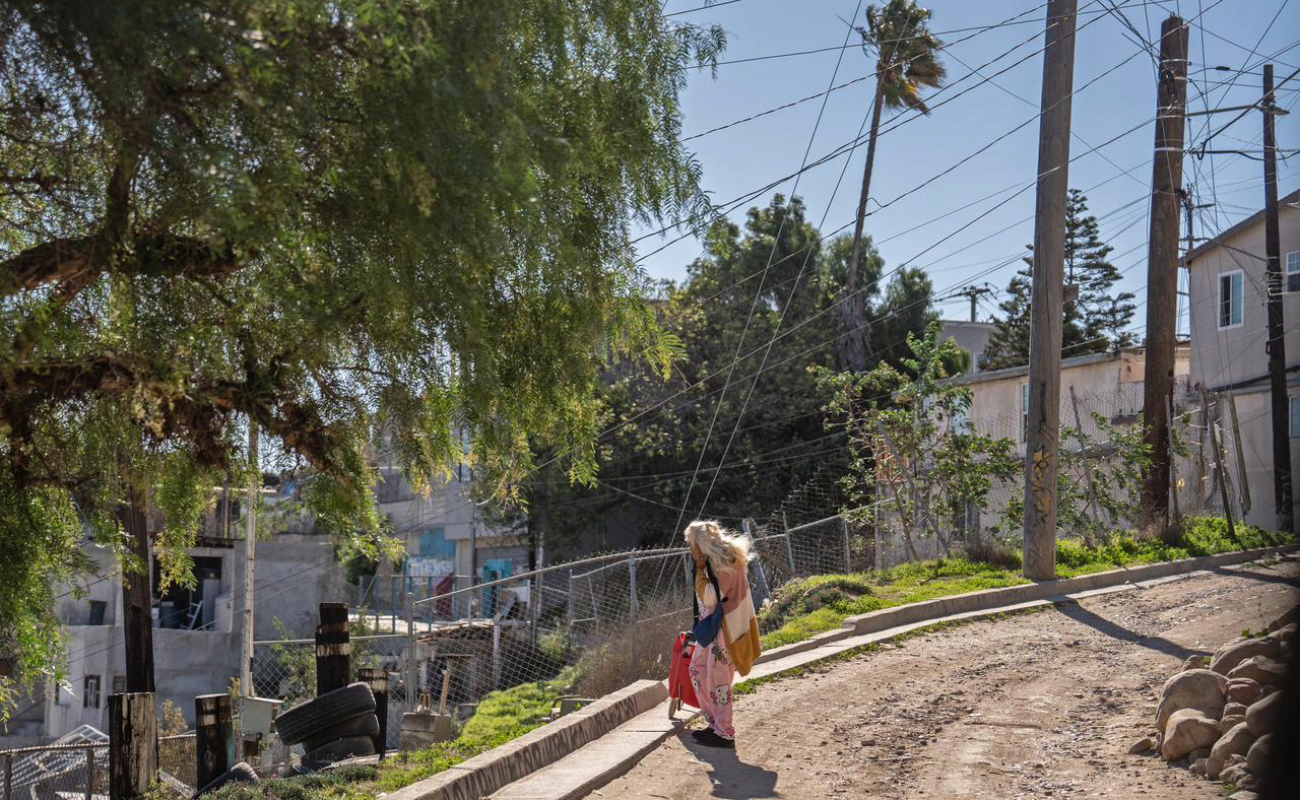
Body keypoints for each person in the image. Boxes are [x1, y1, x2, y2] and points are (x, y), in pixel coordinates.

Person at [684, 519, 762, 749]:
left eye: (690, 544)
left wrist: (699, 572)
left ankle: (724, 731)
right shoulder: (719, 559)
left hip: (726, 629)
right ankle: (715, 723)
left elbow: (710, 597)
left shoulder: (726, 561)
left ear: (699, 545)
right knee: (697, 669)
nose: (689, 549)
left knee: (719, 680)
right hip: (715, 627)